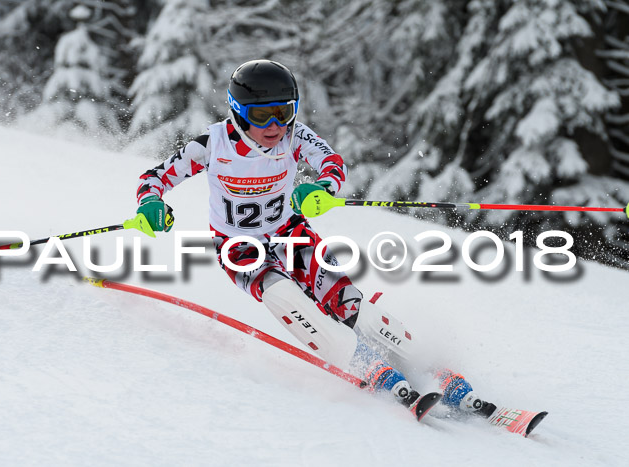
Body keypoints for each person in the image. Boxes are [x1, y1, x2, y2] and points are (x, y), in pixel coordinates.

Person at [134, 59, 493, 417]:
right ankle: (366, 365)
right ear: (239, 113)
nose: (275, 125)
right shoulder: (212, 144)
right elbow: (155, 177)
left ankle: (435, 370)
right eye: (262, 116)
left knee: (348, 302)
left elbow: (333, 164)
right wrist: (150, 204)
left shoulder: (294, 135)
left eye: (284, 112)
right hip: (239, 246)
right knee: (285, 295)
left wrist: (322, 188)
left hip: (292, 233)